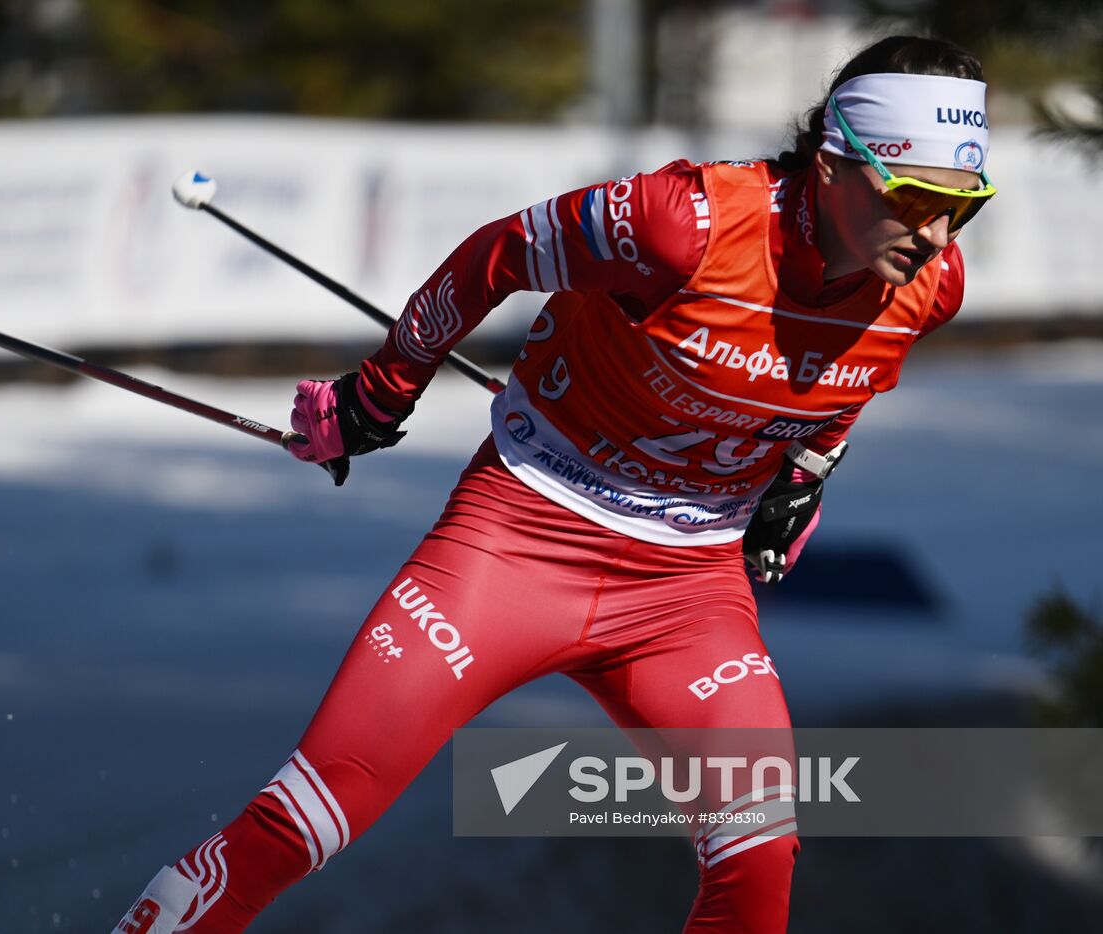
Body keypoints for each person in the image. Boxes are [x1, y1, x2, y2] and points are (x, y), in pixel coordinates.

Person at [110, 34, 994, 934]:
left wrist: (803, 476)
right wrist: (379, 393)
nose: (934, 233)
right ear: (835, 161)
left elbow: (848, 379)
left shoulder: (931, 285)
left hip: (686, 592)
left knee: (760, 865)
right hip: (520, 543)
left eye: (962, 207)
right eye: (915, 197)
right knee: (297, 826)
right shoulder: (681, 225)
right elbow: (498, 254)